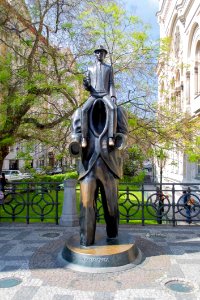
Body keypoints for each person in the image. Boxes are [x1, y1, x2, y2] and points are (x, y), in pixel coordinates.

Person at [70, 103, 128, 246]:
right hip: (88, 167)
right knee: (86, 204)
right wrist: (75, 143)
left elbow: (124, 134)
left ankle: (113, 236)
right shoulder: (80, 112)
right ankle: (86, 240)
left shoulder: (118, 110)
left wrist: (120, 140)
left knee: (111, 206)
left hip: (110, 168)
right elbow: (75, 134)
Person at [81, 45, 117, 148]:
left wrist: (113, 95)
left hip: (105, 94)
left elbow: (111, 83)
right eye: (98, 52)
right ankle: (84, 138)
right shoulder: (89, 68)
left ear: (105, 55)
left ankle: (111, 137)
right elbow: (87, 86)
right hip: (94, 94)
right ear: (95, 54)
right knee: (84, 110)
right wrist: (86, 84)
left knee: (113, 108)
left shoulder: (109, 68)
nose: (100, 54)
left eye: (102, 53)